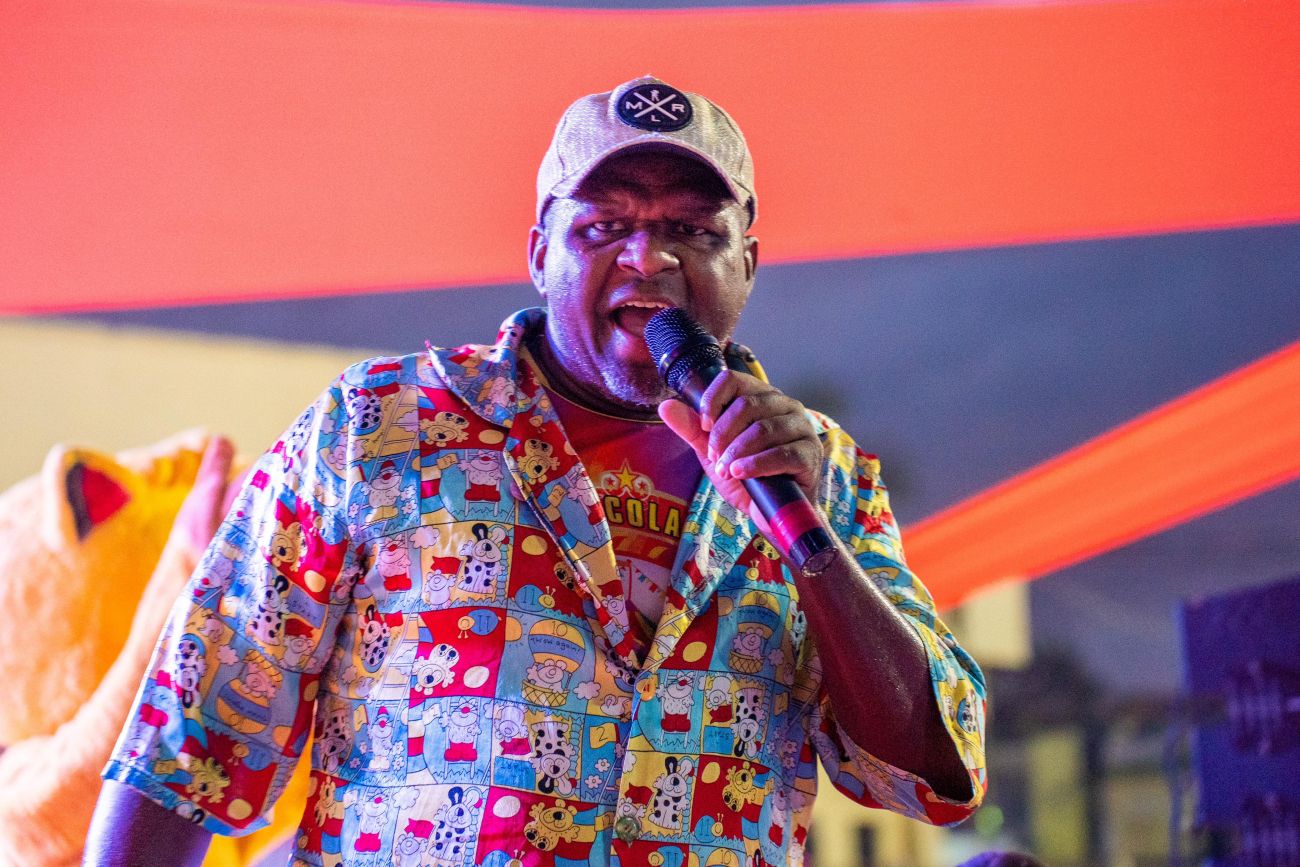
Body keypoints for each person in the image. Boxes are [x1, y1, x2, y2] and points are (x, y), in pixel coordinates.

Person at [86, 76, 986, 866]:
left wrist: (809, 542)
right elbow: (188, 746)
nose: (649, 257)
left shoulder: (824, 472)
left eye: (690, 229)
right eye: (604, 226)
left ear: (745, 264)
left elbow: (934, 771)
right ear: (538, 254)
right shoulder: (376, 428)